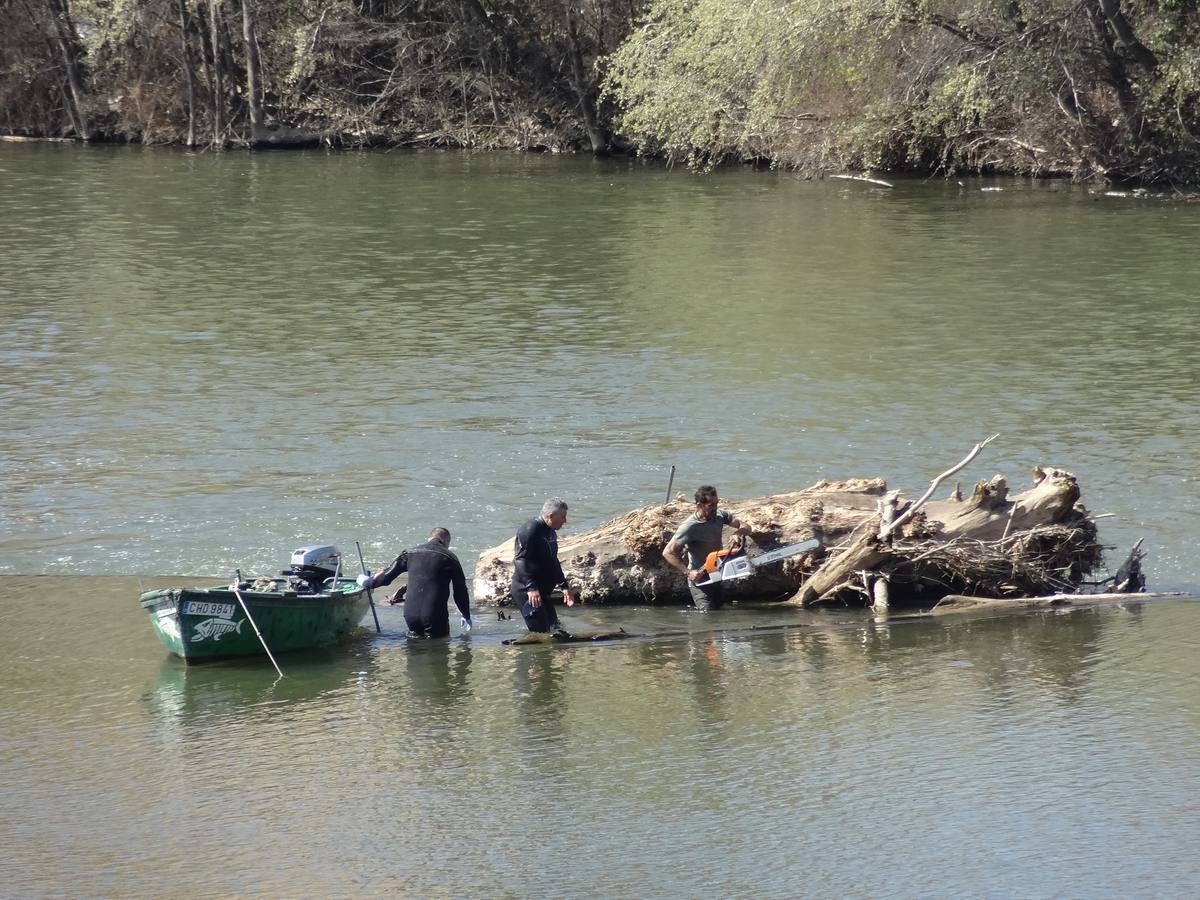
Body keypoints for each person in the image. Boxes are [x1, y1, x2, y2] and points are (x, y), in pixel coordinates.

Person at [358, 527, 471, 638]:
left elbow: (386, 577)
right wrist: (465, 614)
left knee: (414, 651)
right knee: (439, 650)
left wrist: (366, 582)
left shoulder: (410, 553)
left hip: (410, 614)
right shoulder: (449, 557)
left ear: (429, 538)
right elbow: (460, 591)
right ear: (446, 542)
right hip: (435, 615)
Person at [662, 485, 751, 611]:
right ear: (699, 505)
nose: (715, 508)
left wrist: (738, 533)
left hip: (717, 572)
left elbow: (747, 527)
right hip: (700, 578)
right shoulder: (689, 526)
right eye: (711, 505)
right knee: (707, 614)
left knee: (719, 611)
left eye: (716, 503)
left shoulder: (720, 515)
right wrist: (688, 572)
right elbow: (667, 552)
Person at [511, 497, 578, 633]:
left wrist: (564, 586)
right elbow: (520, 560)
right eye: (563, 517)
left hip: (542, 593)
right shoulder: (530, 529)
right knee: (541, 634)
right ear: (550, 516)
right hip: (527, 592)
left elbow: (553, 561)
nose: (565, 521)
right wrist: (531, 588)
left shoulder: (551, 532)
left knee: (556, 629)